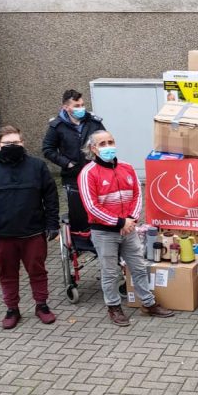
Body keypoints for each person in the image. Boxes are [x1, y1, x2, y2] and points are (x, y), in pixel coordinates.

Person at [78, 131, 174, 325]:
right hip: (105, 232)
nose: (108, 146)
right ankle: (114, 307)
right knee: (110, 272)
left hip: (129, 229)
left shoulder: (127, 167)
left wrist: (130, 220)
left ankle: (148, 304)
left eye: (111, 142)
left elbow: (138, 195)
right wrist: (120, 222)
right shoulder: (88, 173)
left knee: (139, 268)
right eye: (102, 143)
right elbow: (92, 206)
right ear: (93, 149)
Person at [0, 126, 60, 329]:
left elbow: (50, 196)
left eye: (16, 143)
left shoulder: (37, 166)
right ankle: (12, 309)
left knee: (38, 272)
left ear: (23, 143)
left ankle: (42, 305)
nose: (12, 146)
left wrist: (52, 223)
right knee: (7, 274)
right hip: (2, 236)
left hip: (33, 233)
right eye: (7, 144)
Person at [42, 89, 106, 234]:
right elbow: (48, 149)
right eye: (76, 106)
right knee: (79, 213)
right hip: (73, 176)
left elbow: (105, 140)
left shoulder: (93, 122)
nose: (81, 108)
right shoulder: (56, 126)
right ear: (66, 107)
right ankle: (81, 240)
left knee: (100, 207)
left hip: (96, 173)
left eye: (82, 105)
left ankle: (100, 237)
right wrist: (67, 163)